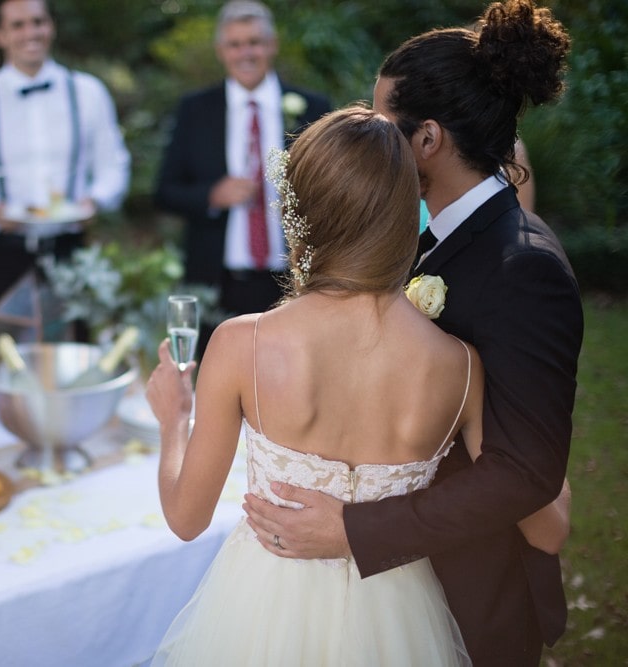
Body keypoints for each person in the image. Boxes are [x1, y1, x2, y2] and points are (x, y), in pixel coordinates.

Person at [243, 1, 581, 663]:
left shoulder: (524, 267)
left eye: (383, 123)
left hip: (470, 592)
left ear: (428, 139)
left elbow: (524, 473)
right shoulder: (418, 234)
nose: (372, 139)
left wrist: (352, 529)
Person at [0, 0, 130, 355]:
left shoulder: (87, 93)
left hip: (70, 252)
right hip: (1, 254)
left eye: (38, 22)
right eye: (18, 24)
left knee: (73, 362)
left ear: (51, 27)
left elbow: (114, 165)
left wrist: (95, 200)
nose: (31, 33)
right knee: (1, 361)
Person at [154, 0, 330, 342]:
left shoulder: (313, 106)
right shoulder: (196, 109)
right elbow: (164, 191)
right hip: (218, 281)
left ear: (272, 45)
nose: (245, 53)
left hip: (292, 280)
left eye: (254, 42)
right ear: (221, 50)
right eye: (235, 44)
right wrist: (212, 195)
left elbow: (333, 187)